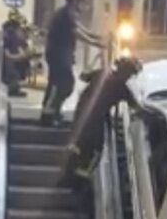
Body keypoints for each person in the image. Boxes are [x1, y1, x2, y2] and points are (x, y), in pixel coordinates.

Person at [61, 54, 144, 186]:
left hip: (81, 114)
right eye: (130, 73)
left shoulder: (102, 73)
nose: (129, 77)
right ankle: (81, 179)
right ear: (126, 71)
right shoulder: (121, 87)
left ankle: (68, 174)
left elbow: (83, 77)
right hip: (95, 120)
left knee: (78, 146)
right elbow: (137, 108)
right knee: (96, 150)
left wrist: (93, 64)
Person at [41, 0, 104, 126]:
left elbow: (81, 28)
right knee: (60, 85)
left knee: (64, 84)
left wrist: (97, 37)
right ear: (74, 1)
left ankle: (54, 113)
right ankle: (48, 115)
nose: (84, 6)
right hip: (58, 55)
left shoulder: (69, 13)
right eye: (82, 2)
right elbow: (76, 32)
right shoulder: (65, 14)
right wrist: (95, 42)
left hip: (63, 55)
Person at [0, 10, 40, 97]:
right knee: (14, 68)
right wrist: (24, 56)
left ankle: (9, 84)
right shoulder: (10, 36)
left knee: (20, 64)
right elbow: (8, 57)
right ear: (17, 27)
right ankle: (8, 85)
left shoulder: (10, 35)